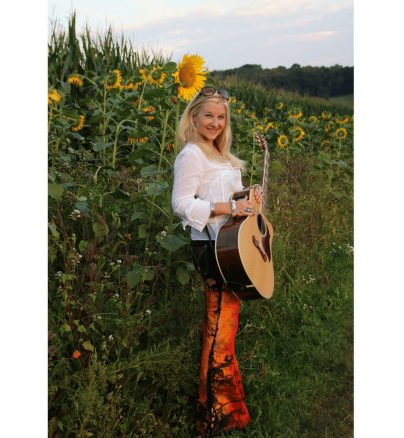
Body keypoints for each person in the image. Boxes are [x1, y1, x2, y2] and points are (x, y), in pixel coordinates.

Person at [171, 86, 262, 436]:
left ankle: (229, 408)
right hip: (211, 248)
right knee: (218, 327)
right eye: (208, 115)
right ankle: (213, 415)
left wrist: (248, 198)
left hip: (231, 245)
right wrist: (228, 208)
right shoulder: (192, 154)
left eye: (221, 117)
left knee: (225, 325)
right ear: (193, 117)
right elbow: (181, 203)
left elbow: (232, 200)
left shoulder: (220, 156)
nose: (215, 122)